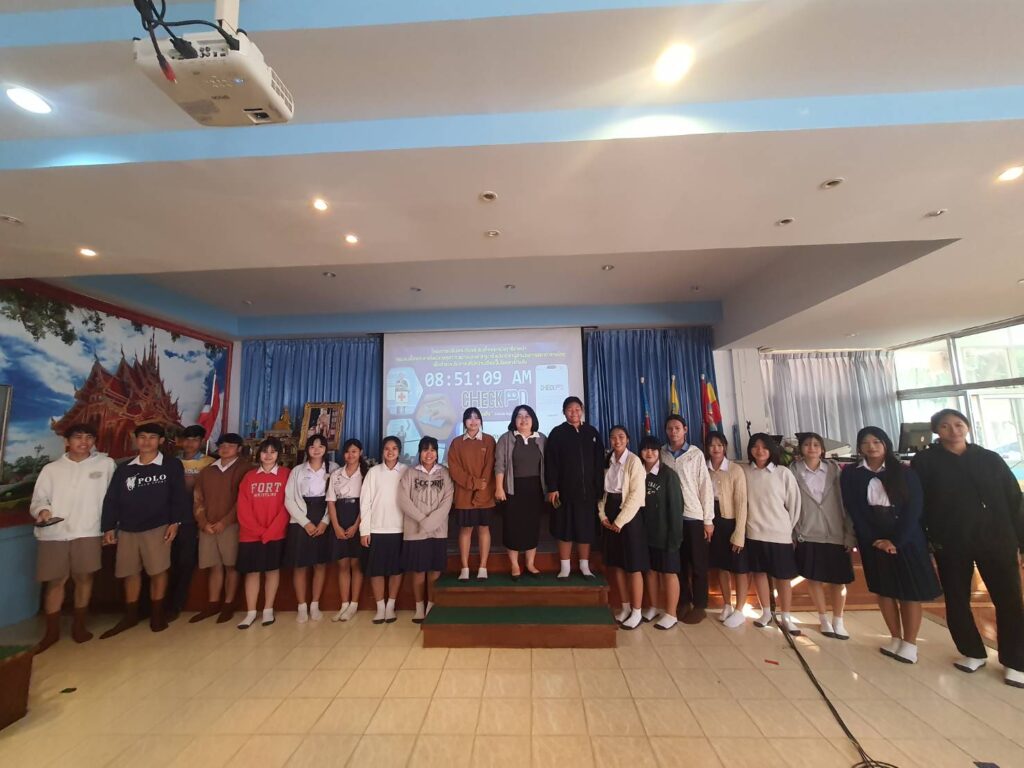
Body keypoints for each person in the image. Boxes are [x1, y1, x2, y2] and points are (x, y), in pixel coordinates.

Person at [912, 409, 1024, 686]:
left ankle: (1015, 660)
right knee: (957, 599)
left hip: (997, 539)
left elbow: (1014, 499)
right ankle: (972, 652)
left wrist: (1021, 540)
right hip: (951, 541)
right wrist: (927, 540)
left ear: (968, 427)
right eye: (945, 426)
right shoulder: (925, 461)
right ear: (936, 431)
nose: (953, 430)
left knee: (1009, 599)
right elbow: (918, 503)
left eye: (958, 424)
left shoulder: (989, 459)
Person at [841, 427, 941, 664]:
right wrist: (874, 540)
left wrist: (895, 541)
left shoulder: (905, 472)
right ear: (859, 447)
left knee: (909, 592)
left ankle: (910, 643)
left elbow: (914, 509)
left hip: (905, 539)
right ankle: (895, 637)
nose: (871, 447)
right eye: (865, 443)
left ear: (886, 444)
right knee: (884, 589)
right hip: (873, 540)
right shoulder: (851, 474)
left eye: (877, 442)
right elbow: (854, 508)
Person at [29, 423, 116, 653]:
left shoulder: (106, 464)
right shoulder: (51, 469)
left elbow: (113, 499)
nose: (84, 442)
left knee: (84, 578)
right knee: (56, 581)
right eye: (78, 437)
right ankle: (51, 632)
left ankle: (79, 625)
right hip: (54, 533)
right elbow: (39, 499)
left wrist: (110, 527)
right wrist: (43, 511)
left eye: (89, 437)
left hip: (88, 531)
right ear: (66, 441)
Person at [100, 423, 189, 637]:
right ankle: (131, 614)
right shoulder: (125, 468)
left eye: (152, 437)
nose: (146, 441)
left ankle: (157, 614)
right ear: (136, 439)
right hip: (128, 527)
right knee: (129, 572)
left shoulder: (171, 465)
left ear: (160, 441)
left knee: (158, 570)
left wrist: (175, 522)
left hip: (158, 526)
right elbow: (112, 499)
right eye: (142, 437)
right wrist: (108, 526)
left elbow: (179, 495)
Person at [791, 432, 856, 640]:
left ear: (822, 449)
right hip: (808, 532)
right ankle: (823, 618)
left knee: (839, 580)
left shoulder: (835, 470)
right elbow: (790, 503)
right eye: (807, 444)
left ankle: (838, 619)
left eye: (816, 444)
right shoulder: (793, 471)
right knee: (814, 578)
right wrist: (794, 532)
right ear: (800, 449)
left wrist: (849, 534)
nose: (811, 448)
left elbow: (847, 503)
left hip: (835, 532)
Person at [743, 433, 802, 636]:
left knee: (782, 577)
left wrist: (787, 528)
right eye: (755, 446)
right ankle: (766, 612)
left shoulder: (783, 473)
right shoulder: (745, 472)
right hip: (754, 532)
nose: (759, 451)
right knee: (759, 573)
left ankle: (786, 615)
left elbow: (794, 504)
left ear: (771, 449)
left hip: (779, 534)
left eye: (764, 447)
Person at [189, 432, 249, 624]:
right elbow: (197, 498)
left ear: (239, 449)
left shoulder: (245, 469)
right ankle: (213, 603)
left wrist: (226, 521)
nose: (225, 449)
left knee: (231, 565)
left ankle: (229, 603)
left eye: (230, 445)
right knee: (214, 565)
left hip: (231, 526)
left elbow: (243, 500)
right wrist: (203, 522)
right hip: (208, 526)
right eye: (222, 445)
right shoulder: (207, 471)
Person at [659, 415, 714, 624]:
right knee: (678, 563)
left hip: (693, 516)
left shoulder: (695, 454)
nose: (673, 432)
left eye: (677, 428)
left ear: (685, 429)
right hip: (671, 518)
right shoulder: (661, 453)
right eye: (669, 428)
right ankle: (683, 601)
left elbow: (705, 487)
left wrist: (708, 519)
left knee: (698, 564)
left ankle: (700, 605)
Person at [545, 396, 605, 579]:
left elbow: (599, 462)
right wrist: (552, 487)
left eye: (577, 409)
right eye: (570, 409)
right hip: (564, 493)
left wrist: (599, 488)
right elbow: (550, 463)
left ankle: (584, 566)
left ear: (582, 410)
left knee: (585, 530)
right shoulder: (557, 433)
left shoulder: (592, 432)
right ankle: (565, 567)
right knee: (565, 529)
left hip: (588, 493)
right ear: (564, 412)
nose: (574, 412)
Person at [236, 437, 291, 629]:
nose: (268, 455)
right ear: (259, 454)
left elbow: (287, 506)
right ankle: (251, 612)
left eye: (273, 452)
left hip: (275, 533)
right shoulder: (249, 477)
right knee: (252, 573)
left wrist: (271, 531)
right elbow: (242, 508)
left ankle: (268, 609)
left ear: (279, 455)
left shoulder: (286, 475)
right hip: (251, 535)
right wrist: (258, 531)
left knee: (272, 570)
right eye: (265, 451)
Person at [598, 426, 648, 630]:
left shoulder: (634, 461)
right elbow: (602, 493)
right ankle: (625, 607)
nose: (616, 441)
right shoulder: (607, 461)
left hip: (629, 517)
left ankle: (637, 611)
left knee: (633, 566)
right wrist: (602, 515)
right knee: (617, 564)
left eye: (621, 437)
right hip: (610, 513)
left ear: (628, 439)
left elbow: (636, 495)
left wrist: (620, 521)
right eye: (613, 438)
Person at [284, 434, 339, 623]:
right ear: (307, 449)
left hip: (324, 516)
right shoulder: (297, 471)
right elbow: (289, 499)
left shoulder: (334, 468)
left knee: (319, 564)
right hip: (301, 520)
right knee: (300, 565)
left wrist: (325, 521)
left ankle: (314, 604)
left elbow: (335, 498)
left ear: (326, 449)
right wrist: (305, 522)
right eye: (312, 446)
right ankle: (301, 606)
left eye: (320, 446)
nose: (316, 450)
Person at [399, 436, 454, 622]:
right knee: (418, 571)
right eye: (425, 450)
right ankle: (419, 607)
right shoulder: (410, 473)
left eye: (432, 450)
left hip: (438, 531)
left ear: (437, 453)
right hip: (415, 531)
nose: (429, 454)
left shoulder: (444, 473)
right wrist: (423, 519)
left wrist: (432, 522)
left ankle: (431, 604)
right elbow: (403, 499)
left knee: (434, 570)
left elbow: (447, 500)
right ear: (420, 452)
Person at [494, 405, 547, 578]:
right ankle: (515, 565)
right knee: (513, 527)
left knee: (533, 526)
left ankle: (530, 564)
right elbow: (500, 465)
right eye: (519, 416)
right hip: (512, 489)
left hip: (535, 489)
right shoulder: (506, 438)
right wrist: (499, 487)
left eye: (527, 416)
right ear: (514, 420)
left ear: (533, 419)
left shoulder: (541, 439)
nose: (523, 419)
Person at [169, 424, 215, 621]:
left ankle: (176, 604)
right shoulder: (172, 462)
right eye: (187, 439)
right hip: (171, 517)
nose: (190, 443)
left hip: (194, 518)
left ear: (201, 442)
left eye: (195, 440)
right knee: (167, 562)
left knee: (186, 562)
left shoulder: (209, 463)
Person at [638, 435, 684, 630]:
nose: (649, 453)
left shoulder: (668, 475)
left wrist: (674, 537)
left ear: (659, 452)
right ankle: (653, 607)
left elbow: (676, 508)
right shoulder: (639, 473)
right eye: (645, 449)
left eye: (653, 449)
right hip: (646, 534)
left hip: (666, 535)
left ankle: (671, 614)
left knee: (669, 573)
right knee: (650, 572)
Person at [360, 435, 407, 624]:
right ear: (382, 451)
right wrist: (365, 530)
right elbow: (365, 502)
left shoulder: (406, 471)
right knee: (377, 570)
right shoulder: (373, 472)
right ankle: (380, 607)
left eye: (394, 448)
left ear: (399, 451)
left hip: (399, 529)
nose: (390, 452)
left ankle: (390, 606)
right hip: (377, 529)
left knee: (396, 570)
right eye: (387, 448)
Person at [705, 431, 749, 630]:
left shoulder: (735, 470)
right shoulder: (704, 468)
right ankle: (727, 604)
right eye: (712, 445)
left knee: (739, 568)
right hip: (711, 520)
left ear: (725, 447)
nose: (716, 449)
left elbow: (741, 503)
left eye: (719, 445)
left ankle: (740, 609)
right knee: (721, 566)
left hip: (730, 521)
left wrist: (739, 533)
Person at [447, 407, 496, 580]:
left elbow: (490, 466)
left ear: (481, 421)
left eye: (476, 418)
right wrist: (474, 483)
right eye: (469, 418)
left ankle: (483, 567)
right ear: (464, 422)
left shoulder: (489, 440)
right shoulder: (456, 443)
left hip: (485, 494)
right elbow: (454, 469)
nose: (473, 421)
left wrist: (482, 488)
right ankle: (465, 568)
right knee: (465, 530)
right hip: (464, 495)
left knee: (484, 529)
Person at [326, 438, 368, 622]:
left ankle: (354, 604)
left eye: (354, 452)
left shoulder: (366, 474)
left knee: (356, 564)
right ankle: (344, 604)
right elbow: (331, 502)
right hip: (339, 520)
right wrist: (336, 526)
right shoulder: (336, 474)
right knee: (342, 564)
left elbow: (367, 503)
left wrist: (356, 525)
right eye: (347, 452)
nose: (350, 455)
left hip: (358, 519)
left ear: (360, 453)